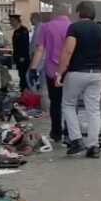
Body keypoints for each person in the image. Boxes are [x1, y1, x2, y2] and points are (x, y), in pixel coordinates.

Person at [56, 1, 101, 158]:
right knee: (93, 109)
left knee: (68, 104)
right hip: (97, 74)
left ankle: (76, 140)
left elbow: (68, 51)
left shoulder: (74, 28)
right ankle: (93, 146)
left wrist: (59, 73)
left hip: (77, 72)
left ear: (79, 13)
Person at [29, 8, 71, 144]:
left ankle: (56, 132)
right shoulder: (72, 27)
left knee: (55, 102)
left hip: (52, 71)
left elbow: (40, 49)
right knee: (70, 103)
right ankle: (70, 131)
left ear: (54, 14)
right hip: (69, 70)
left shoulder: (46, 27)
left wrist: (33, 68)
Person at [9, 14, 31, 91]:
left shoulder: (23, 30)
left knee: (24, 75)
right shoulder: (16, 32)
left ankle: (25, 91)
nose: (11, 23)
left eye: (12, 21)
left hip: (23, 58)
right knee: (21, 75)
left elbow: (25, 45)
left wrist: (23, 56)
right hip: (18, 57)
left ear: (17, 21)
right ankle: (23, 91)